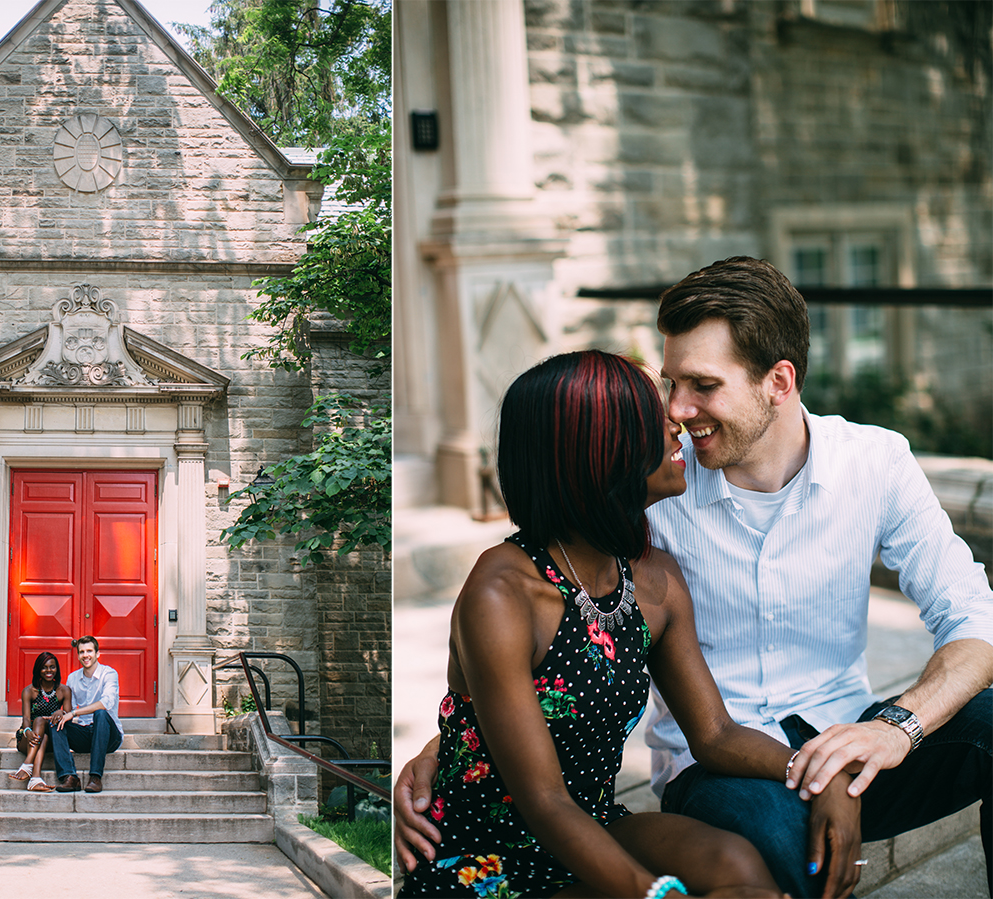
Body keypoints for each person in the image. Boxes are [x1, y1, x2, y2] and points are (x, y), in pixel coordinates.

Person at [397, 257, 993, 899]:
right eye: (669, 385)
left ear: (779, 381)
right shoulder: (653, 498)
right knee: (772, 851)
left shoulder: (874, 464)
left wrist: (885, 733)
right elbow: (542, 656)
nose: (678, 412)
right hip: (716, 774)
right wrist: (456, 737)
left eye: (702, 385)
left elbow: (973, 616)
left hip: (845, 734)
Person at [399, 348, 838, 899]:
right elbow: (544, 801)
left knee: (736, 863)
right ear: (605, 451)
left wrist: (818, 774)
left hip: (596, 821)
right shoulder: (504, 593)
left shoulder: (654, 580)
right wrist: (656, 893)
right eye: (656, 421)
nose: (678, 424)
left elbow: (715, 734)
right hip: (489, 856)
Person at [48, 635, 124, 793]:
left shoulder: (109, 674)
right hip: (84, 733)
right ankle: (70, 777)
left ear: (97, 654)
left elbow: (106, 703)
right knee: (56, 722)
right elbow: (68, 711)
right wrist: (61, 713)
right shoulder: (73, 678)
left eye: (89, 651)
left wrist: (74, 713)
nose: (85, 655)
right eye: (82, 652)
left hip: (109, 736)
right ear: (78, 655)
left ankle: (95, 777)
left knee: (101, 714)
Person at [9, 651, 72, 792]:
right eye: (44, 667)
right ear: (38, 670)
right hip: (29, 738)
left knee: (43, 727)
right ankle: (35, 777)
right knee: (37, 722)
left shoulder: (64, 691)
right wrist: (27, 731)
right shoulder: (29, 691)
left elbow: (69, 715)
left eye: (52, 667)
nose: (49, 671)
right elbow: (26, 718)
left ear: (57, 669)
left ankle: (27, 765)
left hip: (51, 739)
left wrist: (61, 712)